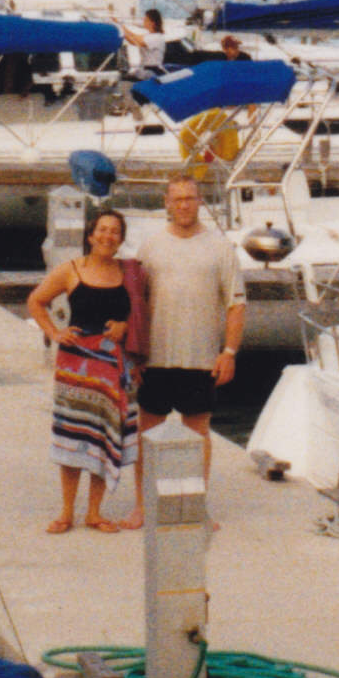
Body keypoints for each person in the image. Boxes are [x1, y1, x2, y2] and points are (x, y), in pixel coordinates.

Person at [119, 177, 244, 529]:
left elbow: (236, 304)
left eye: (190, 198)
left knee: (198, 434)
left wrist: (229, 352)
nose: (185, 205)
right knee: (147, 433)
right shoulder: (151, 246)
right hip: (155, 358)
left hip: (201, 357)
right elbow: (135, 305)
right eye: (178, 199)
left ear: (200, 201)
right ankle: (143, 506)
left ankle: (195, 508)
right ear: (167, 203)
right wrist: (135, 356)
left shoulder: (220, 247)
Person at [26, 206, 140, 533]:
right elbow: (36, 301)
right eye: (101, 230)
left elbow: (142, 316)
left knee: (105, 436)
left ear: (120, 240)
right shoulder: (71, 270)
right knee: (72, 435)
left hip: (114, 368)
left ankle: (94, 512)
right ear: (90, 235)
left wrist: (125, 326)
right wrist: (54, 332)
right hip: (76, 365)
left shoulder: (129, 274)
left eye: (114, 232)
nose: (107, 236)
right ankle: (66, 512)